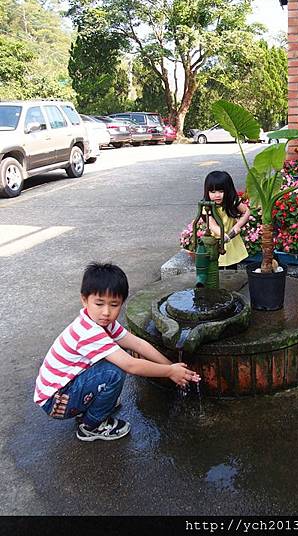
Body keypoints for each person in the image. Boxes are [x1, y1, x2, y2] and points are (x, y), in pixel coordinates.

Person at [34, 262, 200, 442]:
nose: (106, 312)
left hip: (64, 388)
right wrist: (169, 372)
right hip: (56, 401)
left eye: (114, 305)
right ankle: (91, 426)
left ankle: (93, 404)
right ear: (84, 300)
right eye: (99, 303)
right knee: (114, 371)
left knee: (112, 358)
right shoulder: (88, 332)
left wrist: (172, 367)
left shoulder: (104, 323)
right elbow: (131, 365)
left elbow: (138, 344)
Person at [203, 170, 250, 268]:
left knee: (232, 267)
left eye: (221, 191)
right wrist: (222, 235)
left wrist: (237, 225)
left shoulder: (232, 202)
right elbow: (212, 224)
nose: (217, 195)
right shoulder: (207, 206)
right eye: (213, 192)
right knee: (215, 266)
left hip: (231, 239)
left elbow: (246, 211)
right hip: (216, 242)